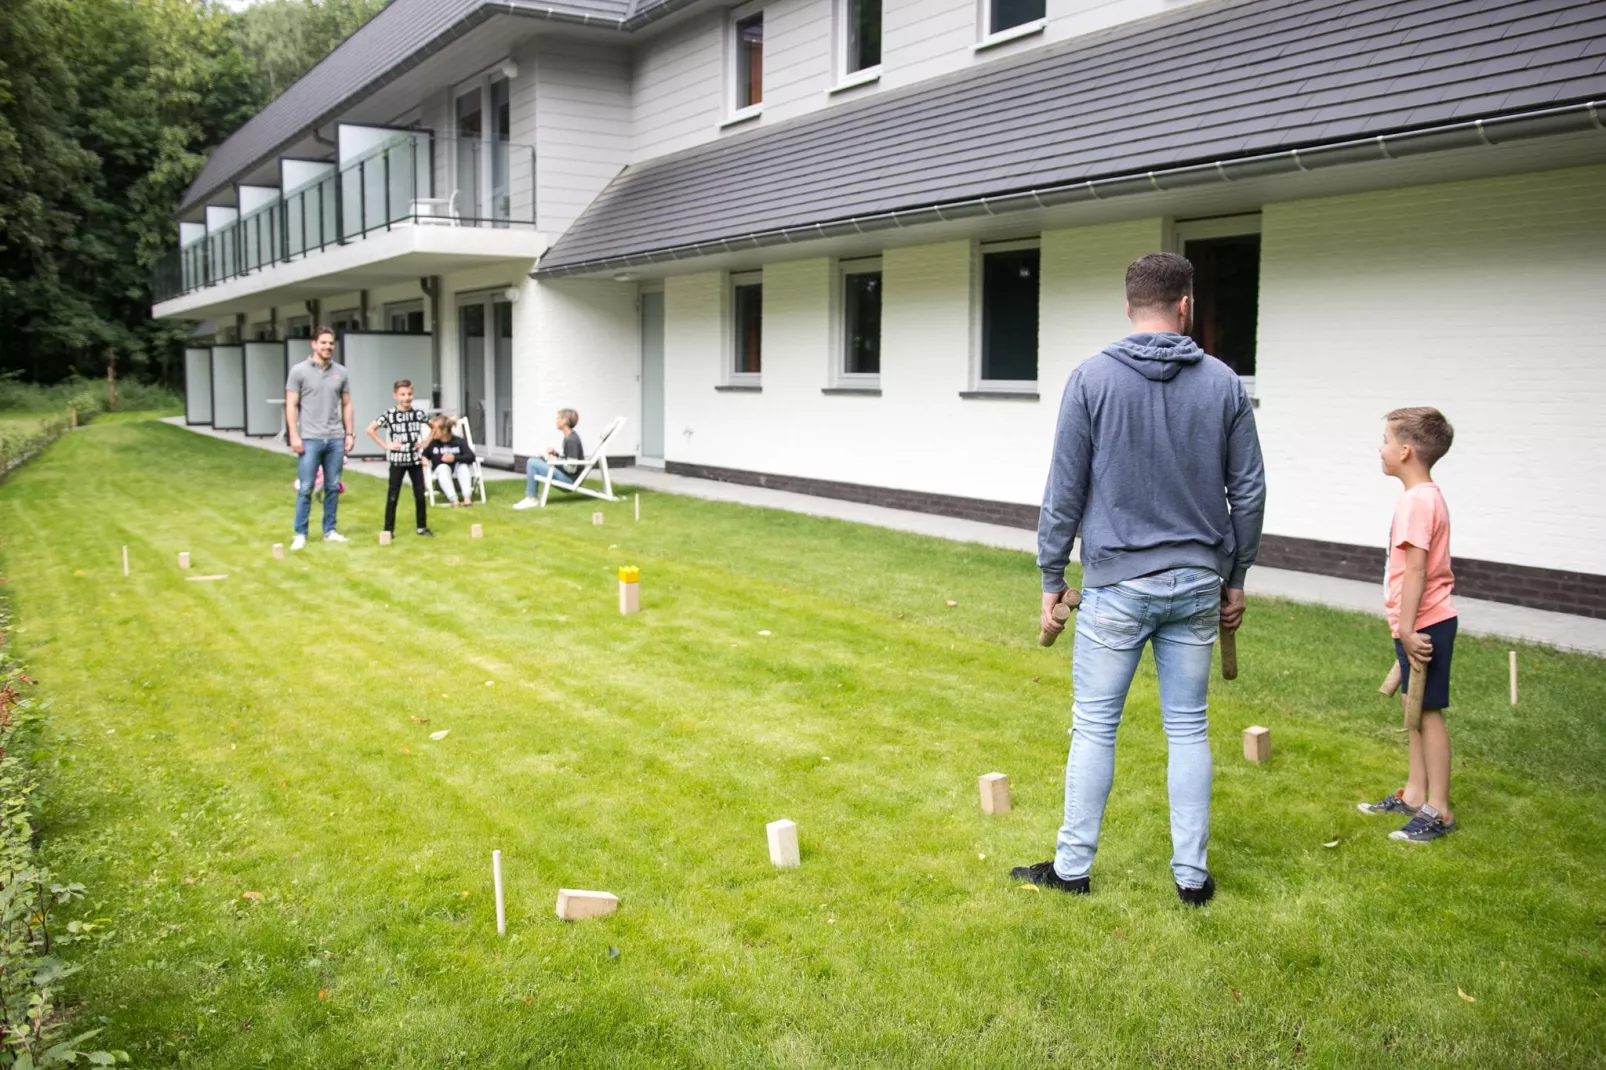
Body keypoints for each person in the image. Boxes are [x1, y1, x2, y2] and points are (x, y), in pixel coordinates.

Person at [1012, 252, 1266, 906]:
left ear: (1130, 307)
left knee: (1095, 726)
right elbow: (1251, 491)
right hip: (1195, 583)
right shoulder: (1224, 384)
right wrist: (1235, 575)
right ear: (1186, 306)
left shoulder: (1091, 378)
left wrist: (1050, 575)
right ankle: (1192, 879)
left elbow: (1063, 490)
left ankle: (1072, 870)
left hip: (1117, 585)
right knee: (1188, 728)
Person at [1357, 407, 1458, 842]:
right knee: (1412, 710)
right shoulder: (1423, 496)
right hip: (1418, 622)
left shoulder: (1418, 502)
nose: (1379, 448)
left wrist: (1409, 628)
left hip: (1425, 623)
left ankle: (1440, 810)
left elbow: (1415, 571)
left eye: (1383, 439)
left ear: (1405, 450)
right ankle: (1416, 793)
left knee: (1428, 714)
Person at [285, 327, 355, 550]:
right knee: (305, 487)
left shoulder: (341, 372)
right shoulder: (299, 371)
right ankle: (300, 533)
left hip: (335, 438)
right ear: (313, 344)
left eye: (331, 343)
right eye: (323, 342)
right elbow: (291, 405)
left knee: (333, 486)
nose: (328, 347)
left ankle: (330, 530)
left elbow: (347, 404)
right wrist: (294, 435)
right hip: (309, 439)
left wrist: (349, 433)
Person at [367, 379, 434, 539]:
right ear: (395, 396)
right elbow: (370, 429)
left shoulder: (418, 414)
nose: (406, 398)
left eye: (409, 394)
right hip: (397, 461)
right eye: (402, 395)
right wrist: (385, 445)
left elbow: (435, 426)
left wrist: (425, 443)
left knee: (419, 494)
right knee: (393, 495)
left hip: (415, 460)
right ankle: (388, 529)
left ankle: (421, 527)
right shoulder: (390, 414)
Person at [513, 408, 584, 510]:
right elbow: (569, 459)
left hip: (569, 480)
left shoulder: (571, 440)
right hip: (567, 476)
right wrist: (556, 455)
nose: (556, 420)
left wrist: (555, 461)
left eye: (558, 418)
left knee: (531, 463)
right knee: (538, 459)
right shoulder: (569, 436)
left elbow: (571, 468)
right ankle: (531, 497)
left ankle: (531, 499)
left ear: (564, 421)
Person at [421, 414, 477, 506]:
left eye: (435, 430)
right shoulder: (432, 443)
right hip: (441, 472)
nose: (432, 432)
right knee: (443, 468)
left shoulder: (459, 441)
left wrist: (454, 458)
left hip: (457, 470)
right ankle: (454, 500)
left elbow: (471, 456)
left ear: (445, 430)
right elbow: (424, 454)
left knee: (463, 467)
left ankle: (467, 498)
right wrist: (424, 459)